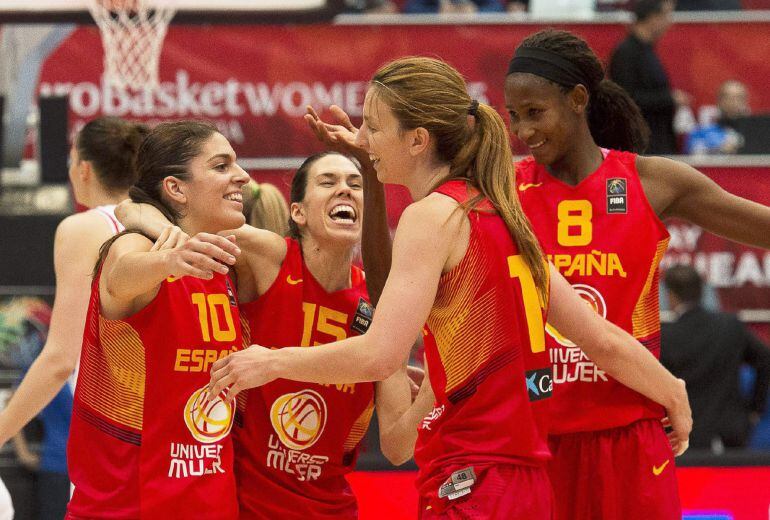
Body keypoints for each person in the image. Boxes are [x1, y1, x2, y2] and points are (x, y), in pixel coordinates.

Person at [209, 56, 691, 518]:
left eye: (374, 127)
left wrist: (269, 361)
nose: (366, 140)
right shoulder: (502, 214)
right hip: (529, 486)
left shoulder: (432, 215)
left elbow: (380, 353)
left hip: (473, 481)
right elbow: (600, 339)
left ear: (417, 140)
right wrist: (671, 390)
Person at [505, 29, 770, 519]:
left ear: (578, 99)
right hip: (536, 435)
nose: (523, 130)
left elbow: (760, 225)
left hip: (631, 431)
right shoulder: (504, 189)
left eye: (535, 112)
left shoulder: (651, 181)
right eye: (514, 115)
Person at [117, 150, 425, 519]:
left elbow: (397, 446)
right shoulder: (271, 258)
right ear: (299, 212)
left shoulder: (379, 307)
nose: (345, 190)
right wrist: (166, 236)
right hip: (244, 503)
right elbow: (134, 210)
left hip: (329, 508)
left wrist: (444, 373)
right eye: (328, 182)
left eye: (355, 184)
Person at [66, 121, 245, 519]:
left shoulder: (220, 263)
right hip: (129, 509)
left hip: (211, 505)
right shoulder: (137, 246)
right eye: (221, 165)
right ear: (176, 188)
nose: (242, 176)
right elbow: (120, 275)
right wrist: (168, 259)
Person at [0, 117, 147, 518]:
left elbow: (61, 357)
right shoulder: (168, 225)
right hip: (179, 432)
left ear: (83, 168)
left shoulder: (87, 227)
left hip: (118, 432)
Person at [661, 264, 770, 451]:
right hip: (733, 431)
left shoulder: (666, 337)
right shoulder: (730, 326)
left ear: (670, 295)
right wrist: (755, 409)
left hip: (688, 439)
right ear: (702, 290)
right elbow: (765, 359)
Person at [608, 0, 690, 154]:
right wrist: (670, 99)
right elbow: (626, 99)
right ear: (653, 17)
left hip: (658, 140)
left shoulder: (648, 51)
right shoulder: (626, 53)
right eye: (666, 15)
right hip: (641, 146)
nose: (669, 22)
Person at [685, 80, 750, 155]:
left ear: (746, 101)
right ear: (719, 101)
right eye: (728, 97)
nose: (734, 102)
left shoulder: (754, 133)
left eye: (739, 98)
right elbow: (693, 158)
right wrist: (719, 149)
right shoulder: (700, 133)